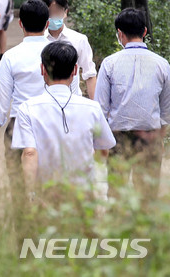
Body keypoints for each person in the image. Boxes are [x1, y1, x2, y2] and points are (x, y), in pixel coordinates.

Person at [12, 42, 115, 202]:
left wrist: (30, 193)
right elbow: (103, 150)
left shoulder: (27, 108)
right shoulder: (92, 108)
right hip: (82, 195)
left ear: (42, 70)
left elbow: (30, 153)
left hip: (45, 194)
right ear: (75, 70)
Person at [94, 8, 170, 201]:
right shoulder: (162, 64)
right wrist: (159, 137)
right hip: (150, 136)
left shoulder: (109, 64)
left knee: (116, 194)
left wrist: (100, 143)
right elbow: (166, 110)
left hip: (117, 138)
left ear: (120, 33)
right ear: (145, 31)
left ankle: (119, 231)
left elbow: (100, 108)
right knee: (147, 196)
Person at [0, 0, 50, 206]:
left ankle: (22, 233)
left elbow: (1, 101)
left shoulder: (11, 57)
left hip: (19, 126)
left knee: (18, 185)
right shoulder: (62, 53)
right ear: (47, 24)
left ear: (20, 24)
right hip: (53, 123)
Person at [42, 0, 97, 99]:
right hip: (46, 103)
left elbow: (89, 74)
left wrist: (95, 106)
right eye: (50, 12)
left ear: (65, 12)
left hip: (73, 102)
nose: (53, 16)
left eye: (57, 11)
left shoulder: (79, 40)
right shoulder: (39, 41)